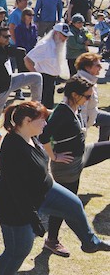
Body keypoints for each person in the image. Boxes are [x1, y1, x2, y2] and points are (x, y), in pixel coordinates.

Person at [0, 101, 110, 275]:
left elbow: (46, 132)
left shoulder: (31, 135)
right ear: (26, 122)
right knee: (19, 249)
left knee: (73, 204)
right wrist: (33, 219)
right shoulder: (13, 149)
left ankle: (90, 243)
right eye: (41, 119)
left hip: (44, 189)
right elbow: (17, 191)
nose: (46, 123)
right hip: (14, 204)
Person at [38, 76, 110, 257]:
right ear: (74, 95)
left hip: (81, 155)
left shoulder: (74, 108)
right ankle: (52, 241)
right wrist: (54, 156)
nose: (89, 99)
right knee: (64, 205)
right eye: (87, 96)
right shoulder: (62, 112)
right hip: (67, 167)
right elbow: (44, 136)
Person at [0, 26, 42, 127]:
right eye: (5, 37)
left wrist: (23, 52)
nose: (8, 39)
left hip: (10, 81)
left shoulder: (3, 47)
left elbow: (15, 51)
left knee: (36, 77)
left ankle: (35, 107)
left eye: (9, 36)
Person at [25, 22, 70, 108]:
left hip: (51, 80)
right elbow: (27, 59)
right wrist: (36, 76)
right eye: (64, 36)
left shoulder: (57, 46)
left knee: (48, 107)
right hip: (43, 79)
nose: (66, 39)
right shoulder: (45, 45)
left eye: (67, 36)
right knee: (41, 108)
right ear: (56, 33)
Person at [74, 52, 110, 142]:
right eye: (97, 65)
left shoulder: (91, 79)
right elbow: (81, 110)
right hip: (81, 119)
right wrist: (83, 129)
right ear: (87, 67)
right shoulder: (81, 83)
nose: (101, 68)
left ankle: (101, 149)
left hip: (92, 114)